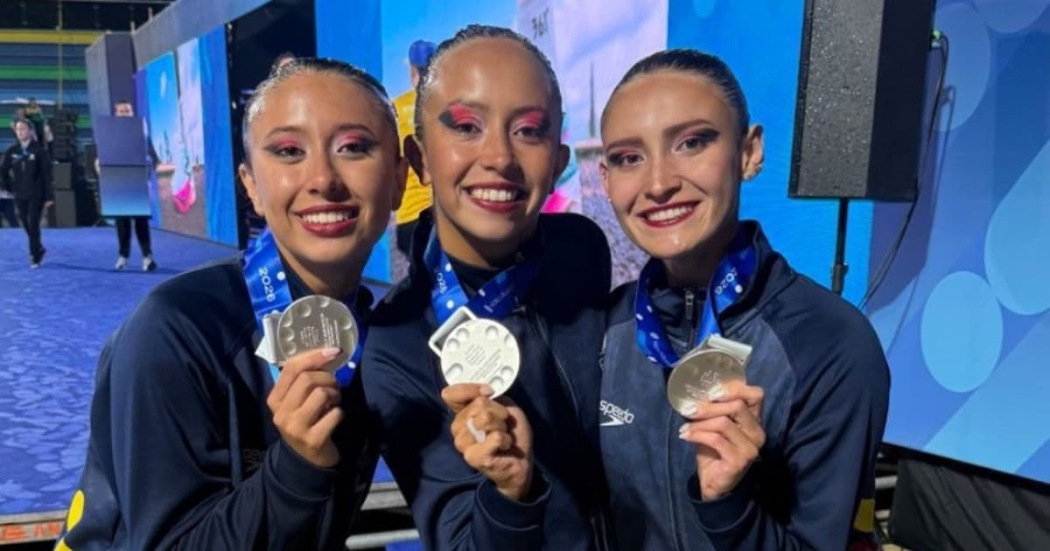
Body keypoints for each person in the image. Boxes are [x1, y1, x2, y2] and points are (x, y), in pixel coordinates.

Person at [55, 58, 406, 551]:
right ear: (251, 186)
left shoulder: (375, 333)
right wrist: (297, 469)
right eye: (288, 151)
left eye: (354, 147)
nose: (323, 178)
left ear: (398, 179)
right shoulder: (174, 332)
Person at [597, 49, 890, 550]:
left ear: (749, 151)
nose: (659, 183)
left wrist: (729, 504)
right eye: (629, 157)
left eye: (691, 142)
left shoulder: (832, 343)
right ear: (605, 179)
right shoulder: (604, 330)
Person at [361, 25, 614, 550]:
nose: (499, 155)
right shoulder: (396, 339)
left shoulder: (582, 249)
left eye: (528, 130)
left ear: (560, 160)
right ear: (421, 160)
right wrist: (510, 496)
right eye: (467, 126)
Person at [392, 39, 436, 255]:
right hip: (442, 217)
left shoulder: (395, 108)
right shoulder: (450, 104)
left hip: (408, 219)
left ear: (412, 72)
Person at [103, 101, 158, 271]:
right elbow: (104, 158)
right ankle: (123, 256)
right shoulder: (109, 136)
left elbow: (154, 158)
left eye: (128, 110)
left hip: (138, 184)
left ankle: (147, 257)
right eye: (121, 111)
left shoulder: (142, 134)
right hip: (118, 184)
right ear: (116, 114)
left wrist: (148, 168)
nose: (125, 113)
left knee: (141, 223)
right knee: (122, 223)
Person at [1, 118, 53, 267]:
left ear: (30, 131)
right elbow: (3, 171)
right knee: (25, 223)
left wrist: (49, 196)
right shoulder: (12, 151)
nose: (20, 132)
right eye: (18, 129)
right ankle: (39, 247)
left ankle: (34, 255)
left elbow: (46, 174)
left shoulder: (39, 150)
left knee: (33, 222)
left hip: (36, 193)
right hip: (20, 193)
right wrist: (7, 187)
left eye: (23, 129)